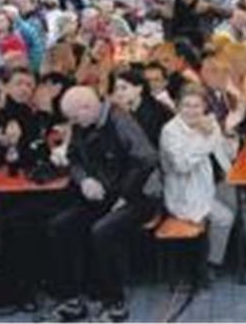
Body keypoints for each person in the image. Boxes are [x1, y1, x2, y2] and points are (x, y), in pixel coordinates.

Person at [46, 86, 159, 322]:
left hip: (138, 196)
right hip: (101, 194)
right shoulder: (81, 123)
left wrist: (125, 195)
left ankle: (114, 302)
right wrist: (84, 180)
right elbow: (74, 158)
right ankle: (71, 298)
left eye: (75, 117)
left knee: (103, 231)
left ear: (88, 108)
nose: (73, 123)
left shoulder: (120, 121)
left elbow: (147, 159)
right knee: (60, 225)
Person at [160, 85, 246, 272]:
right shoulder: (170, 131)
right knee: (225, 218)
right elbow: (182, 166)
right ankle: (211, 264)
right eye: (187, 106)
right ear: (178, 107)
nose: (192, 111)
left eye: (197, 106)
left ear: (204, 107)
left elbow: (227, 154)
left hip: (214, 182)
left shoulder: (209, 123)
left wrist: (229, 132)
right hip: (185, 192)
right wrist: (204, 137)